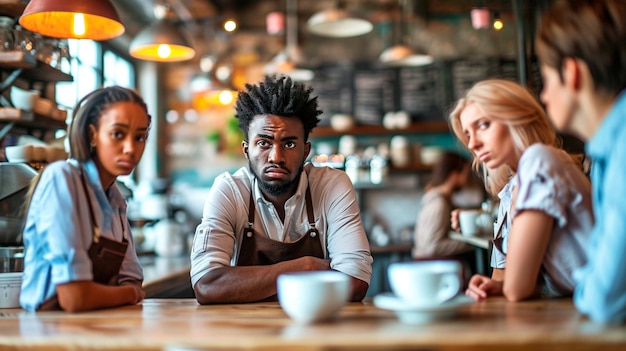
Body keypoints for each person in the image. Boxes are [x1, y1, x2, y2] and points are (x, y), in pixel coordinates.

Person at [190, 75, 372, 304]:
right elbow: (207, 286)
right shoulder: (230, 190)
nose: (276, 157)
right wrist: (308, 266)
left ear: (306, 152)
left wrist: (244, 286)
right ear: (246, 150)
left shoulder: (331, 186)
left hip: (318, 326)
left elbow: (355, 283)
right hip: (244, 334)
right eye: (264, 143)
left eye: (289, 144)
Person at [449, 78, 593, 302]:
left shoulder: (540, 161)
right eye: (468, 134)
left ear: (516, 118)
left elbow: (518, 290)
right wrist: (499, 285)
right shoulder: (513, 187)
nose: (472, 144)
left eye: (483, 125)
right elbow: (529, 282)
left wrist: (510, 285)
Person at [20, 86, 150, 312]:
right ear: (92, 135)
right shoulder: (62, 179)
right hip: (46, 331)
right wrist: (128, 294)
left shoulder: (115, 196)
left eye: (139, 137)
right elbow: (75, 298)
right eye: (118, 134)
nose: (131, 148)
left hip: (93, 324)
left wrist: (125, 291)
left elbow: (132, 279)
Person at [535, 0, 626, 324]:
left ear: (572, 73)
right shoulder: (606, 150)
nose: (543, 96)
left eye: (545, 80)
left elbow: (605, 298)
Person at [412, 151, 474, 259]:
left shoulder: (438, 198)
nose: (467, 179)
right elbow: (433, 247)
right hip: (431, 266)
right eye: (465, 174)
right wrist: (471, 243)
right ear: (454, 175)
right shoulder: (439, 204)